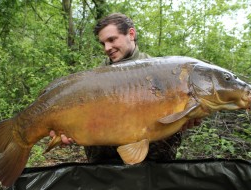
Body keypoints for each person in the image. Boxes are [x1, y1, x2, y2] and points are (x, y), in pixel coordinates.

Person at [50, 13, 201, 163]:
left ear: (131, 34)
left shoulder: (159, 70)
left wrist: (184, 120)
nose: (107, 48)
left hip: (151, 163)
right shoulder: (94, 79)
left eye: (111, 40)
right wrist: (69, 132)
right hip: (104, 166)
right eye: (103, 44)